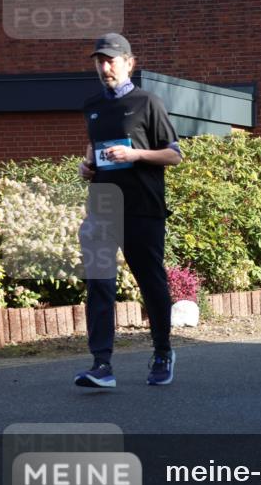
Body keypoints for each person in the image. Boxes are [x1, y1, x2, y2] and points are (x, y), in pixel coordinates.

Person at [74, 33, 182, 388]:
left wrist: (136, 155)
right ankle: (101, 365)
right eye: (100, 61)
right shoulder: (92, 105)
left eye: (111, 60)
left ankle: (163, 352)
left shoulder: (147, 102)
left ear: (129, 63)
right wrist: (86, 166)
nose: (105, 67)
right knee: (100, 284)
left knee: (150, 282)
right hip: (103, 207)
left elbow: (174, 154)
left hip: (142, 208)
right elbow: (93, 149)